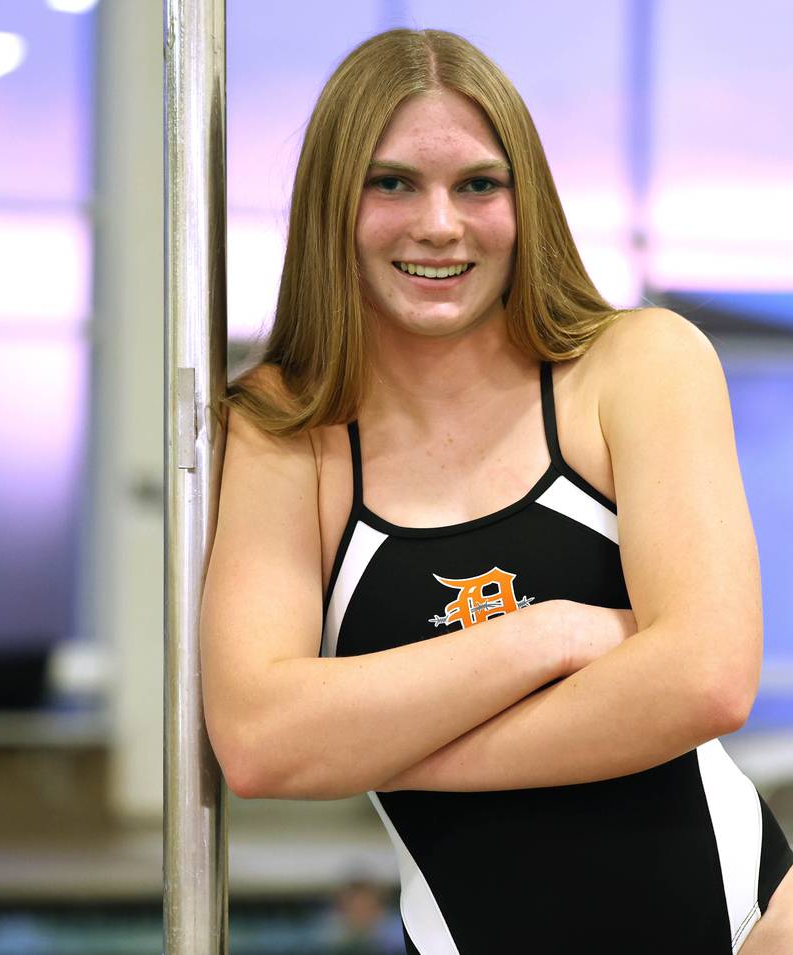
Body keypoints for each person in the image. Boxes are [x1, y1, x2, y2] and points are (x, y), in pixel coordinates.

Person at [199, 27, 793, 953]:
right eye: (391, 181)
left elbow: (710, 680)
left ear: (528, 203)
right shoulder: (285, 430)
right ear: (330, 202)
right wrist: (553, 632)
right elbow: (263, 741)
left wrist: (390, 748)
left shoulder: (635, 365)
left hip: (750, 926)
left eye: (479, 183)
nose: (440, 223)